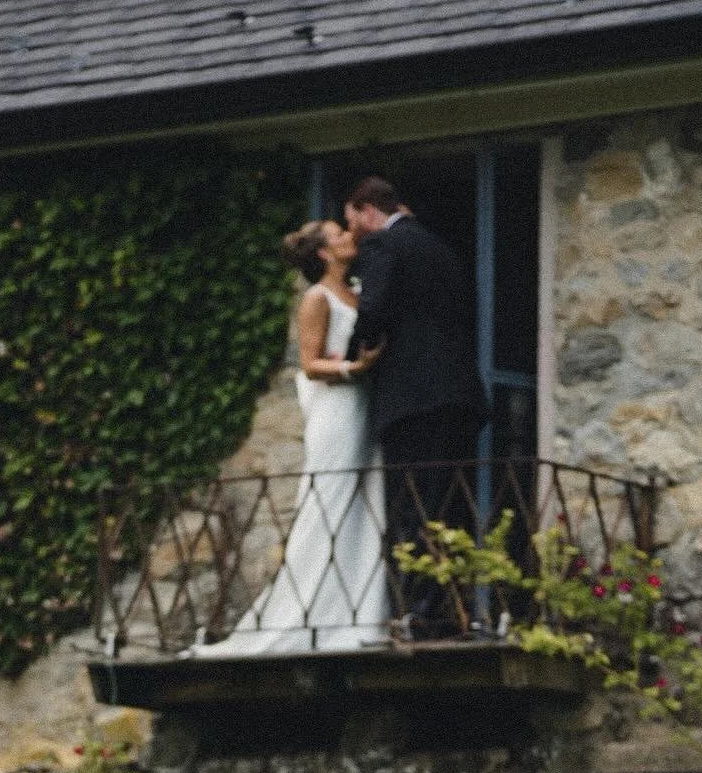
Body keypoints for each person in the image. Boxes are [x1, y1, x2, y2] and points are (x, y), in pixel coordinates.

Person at [194, 218, 388, 655]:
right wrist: (354, 368)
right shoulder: (316, 299)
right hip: (338, 410)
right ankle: (310, 615)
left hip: (364, 405)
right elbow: (308, 363)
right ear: (323, 253)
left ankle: (361, 612)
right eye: (338, 235)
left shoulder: (356, 291)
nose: (347, 238)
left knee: (366, 497)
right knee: (331, 498)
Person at [343, 176, 488, 628]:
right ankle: (458, 607)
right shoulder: (443, 249)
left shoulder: (384, 247)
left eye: (355, 222)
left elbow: (375, 310)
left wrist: (355, 355)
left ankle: (421, 613)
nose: (356, 234)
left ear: (369, 210)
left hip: (414, 397)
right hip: (460, 394)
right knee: (452, 505)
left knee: (415, 506)